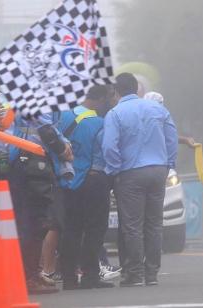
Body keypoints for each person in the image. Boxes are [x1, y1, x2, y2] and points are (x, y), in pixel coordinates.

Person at [102, 73, 178, 287]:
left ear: (116, 91)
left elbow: (109, 146)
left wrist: (115, 169)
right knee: (155, 223)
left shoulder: (115, 113)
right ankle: (152, 273)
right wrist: (168, 164)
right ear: (137, 89)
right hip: (158, 170)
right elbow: (171, 138)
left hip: (130, 173)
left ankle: (135, 273)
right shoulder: (158, 109)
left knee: (133, 225)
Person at [57, 85, 115, 290]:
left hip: (68, 180)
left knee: (71, 229)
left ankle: (69, 278)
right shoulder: (100, 123)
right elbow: (108, 152)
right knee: (94, 229)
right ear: (99, 100)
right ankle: (90, 275)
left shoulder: (63, 118)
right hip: (94, 180)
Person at [8, 111, 72, 294]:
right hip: (31, 164)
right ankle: (28, 276)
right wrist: (62, 150)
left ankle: (32, 273)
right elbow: (46, 130)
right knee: (34, 222)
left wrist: (63, 144)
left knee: (37, 223)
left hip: (33, 161)